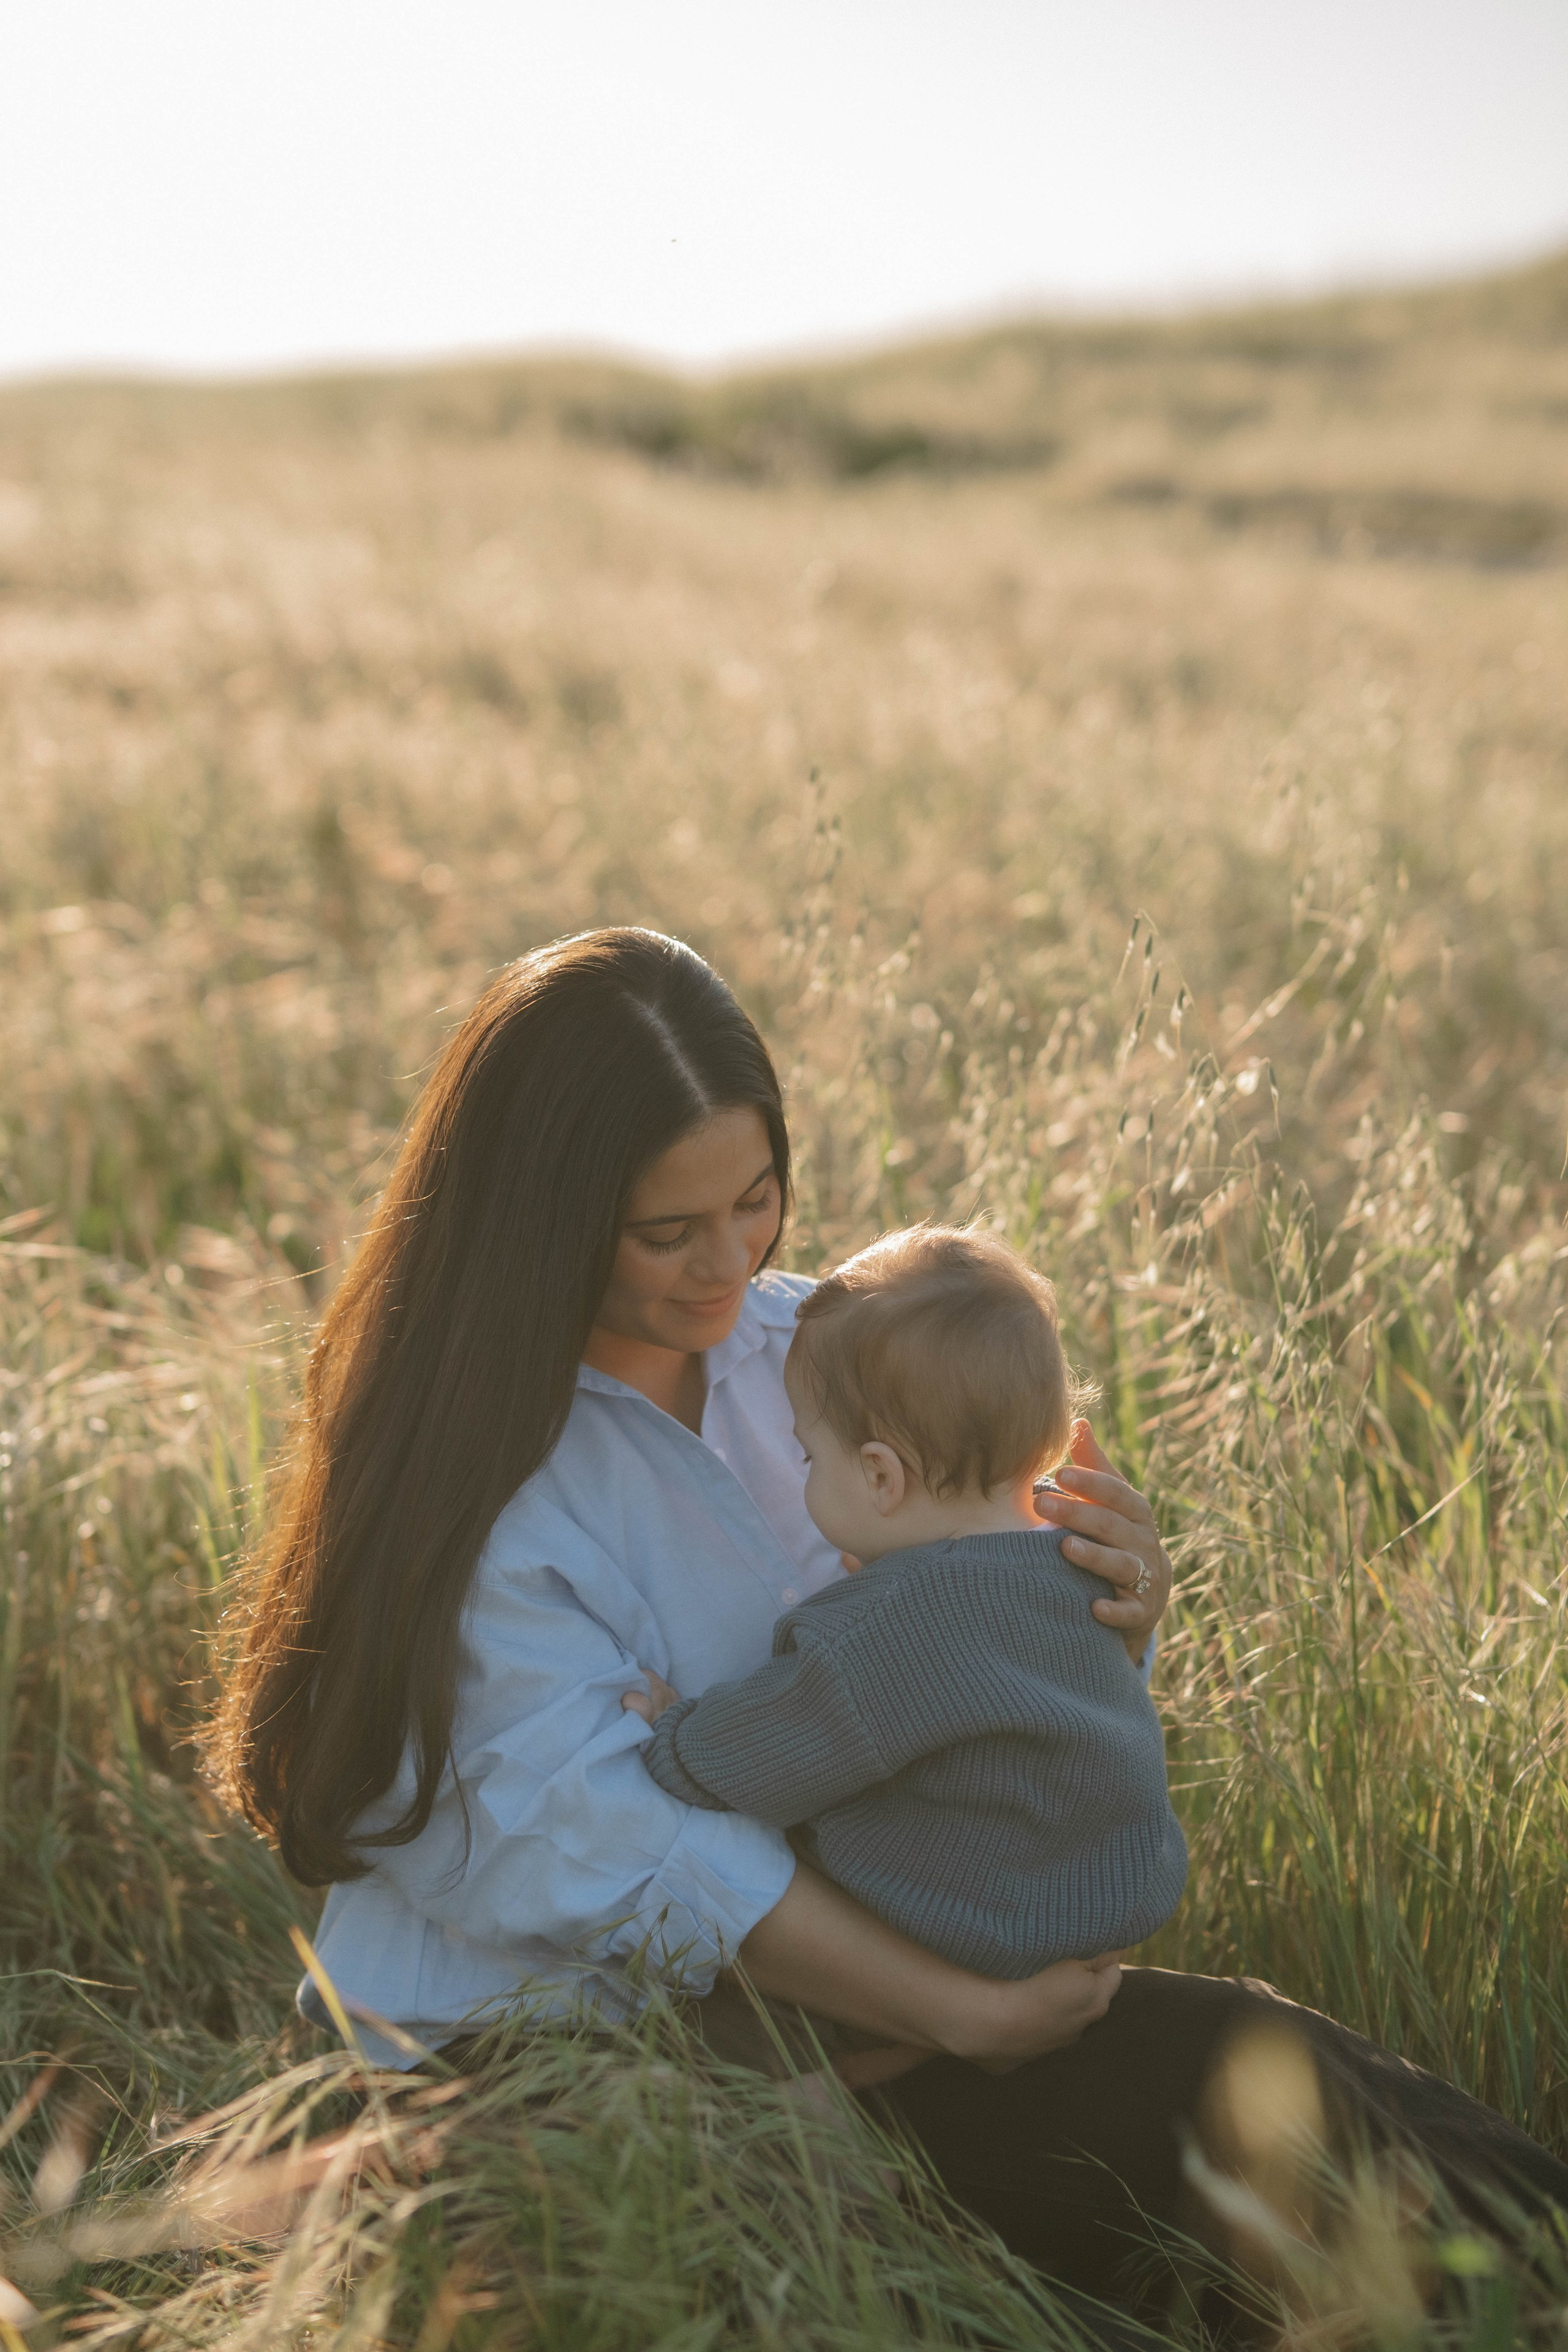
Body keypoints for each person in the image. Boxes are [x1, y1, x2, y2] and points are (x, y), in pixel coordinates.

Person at [212, 925, 1567, 2322]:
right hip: (535, 2060)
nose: (726, 1262)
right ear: (542, 1218)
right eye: (666, 1233)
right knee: (1109, 2182)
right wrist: (959, 2013)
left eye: (755, 1200)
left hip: (837, 2017)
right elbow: (618, 1845)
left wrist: (1111, 1599)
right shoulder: (477, 1476)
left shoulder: (830, 1347)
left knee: (1257, 2068)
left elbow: (984, 1636)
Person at [633, 1223, 1187, 1982]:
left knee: (791, 1851)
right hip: (1113, 1900)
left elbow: (764, 1748)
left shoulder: (889, 1626)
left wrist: (674, 1734)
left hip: (976, 1936)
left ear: (880, 1477)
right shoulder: (1077, 1554)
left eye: (809, 1455)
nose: (804, 1472)